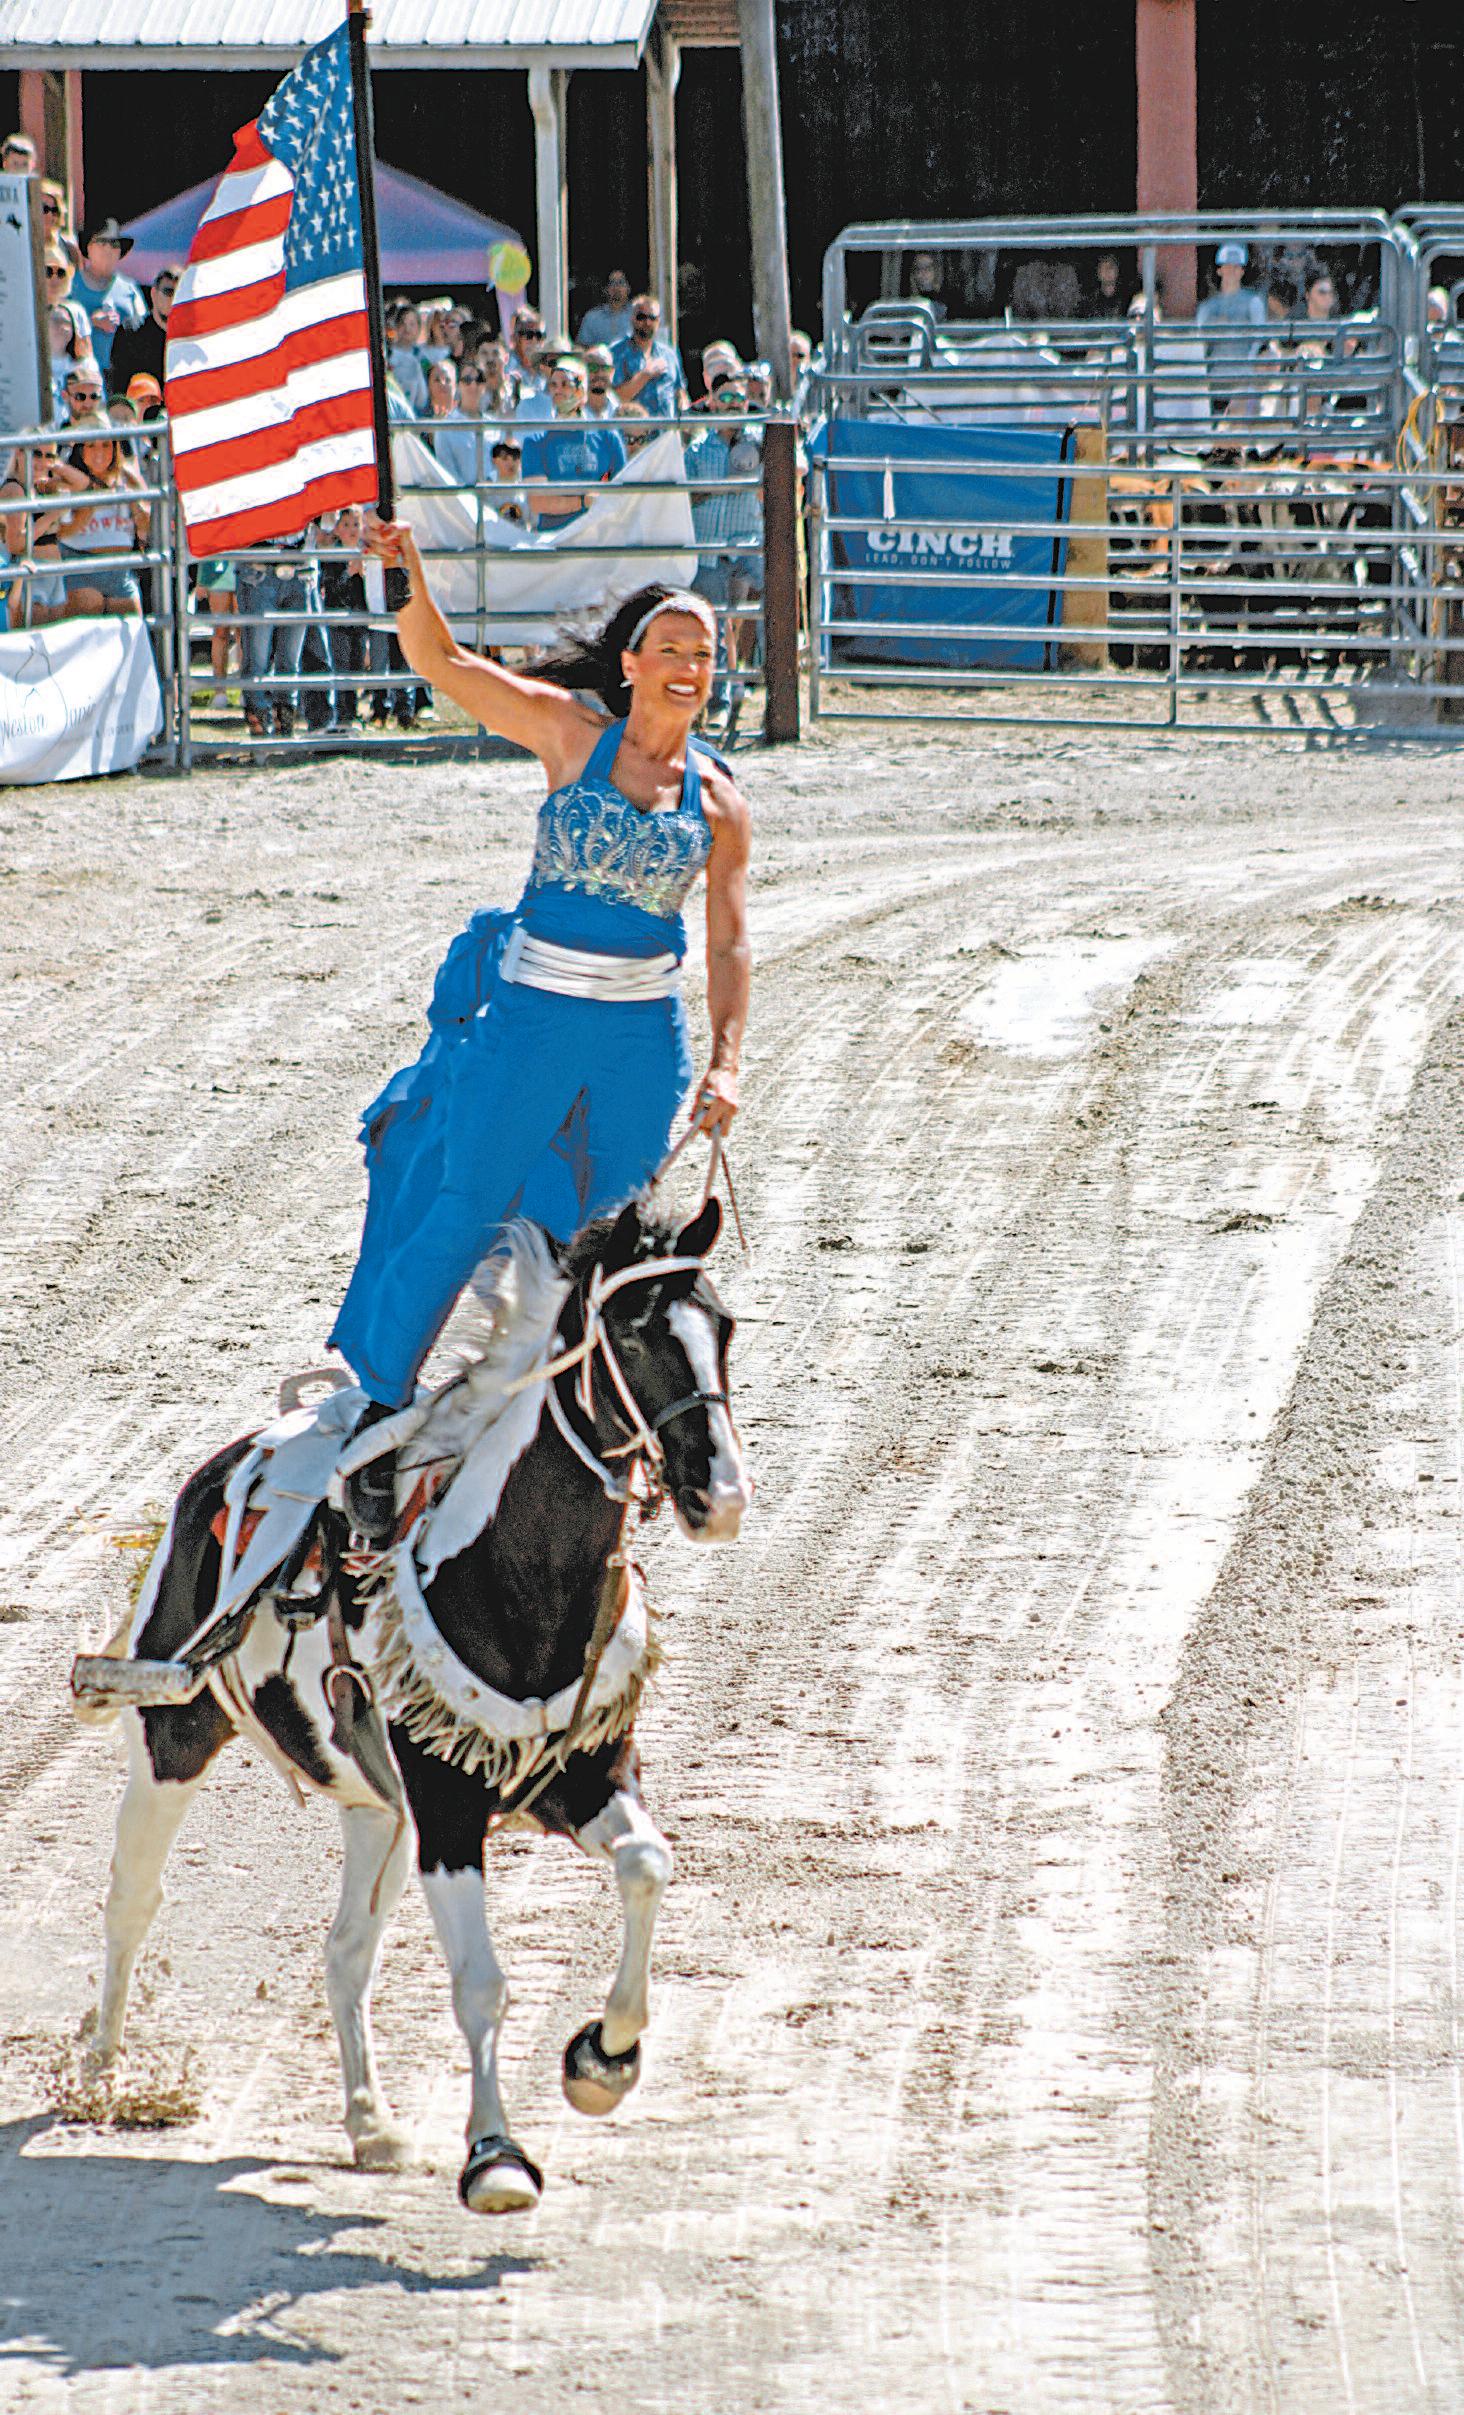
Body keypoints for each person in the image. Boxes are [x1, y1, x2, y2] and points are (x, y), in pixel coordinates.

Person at [328, 543, 750, 1534]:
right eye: (671, 649)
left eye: (704, 654)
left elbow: (730, 940)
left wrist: (728, 1061)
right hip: (530, 1025)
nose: (689, 667)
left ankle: (594, 1428)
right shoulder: (571, 734)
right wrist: (407, 570)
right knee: (465, 1204)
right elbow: (443, 665)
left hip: (641, 1044)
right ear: (632, 664)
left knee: (622, 1249)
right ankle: (382, 1411)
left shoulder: (722, 800)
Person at [57, 413, 150, 615]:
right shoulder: (69, 478)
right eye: (91, 445)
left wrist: (136, 505)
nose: (99, 452)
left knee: (132, 628)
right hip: (81, 567)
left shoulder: (127, 476)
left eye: (106, 445)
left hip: (122, 571)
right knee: (87, 624)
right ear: (80, 449)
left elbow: (147, 527)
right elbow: (62, 532)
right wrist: (89, 505)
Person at [521, 356, 626, 524]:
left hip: (599, 531)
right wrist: (584, 502)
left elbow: (623, 492)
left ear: (581, 389)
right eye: (553, 385)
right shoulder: (535, 442)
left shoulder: (608, 437)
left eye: (565, 384)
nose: (557, 390)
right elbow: (538, 503)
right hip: (555, 535)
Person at [70, 216, 146, 380]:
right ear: (89, 247)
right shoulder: (71, 285)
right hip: (80, 376)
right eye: (102, 242)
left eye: (114, 244)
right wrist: (91, 322)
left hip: (120, 376)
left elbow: (142, 331)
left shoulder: (130, 289)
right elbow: (58, 326)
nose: (108, 249)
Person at [1196, 242, 1266, 413]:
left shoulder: (1253, 302)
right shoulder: (1208, 307)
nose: (1231, 271)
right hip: (1216, 378)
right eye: (1227, 267)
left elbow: (1259, 339)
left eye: (1236, 267)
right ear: (1219, 270)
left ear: (1242, 271)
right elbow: (1200, 342)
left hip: (1243, 378)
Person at [610, 294, 687, 419]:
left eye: (652, 318)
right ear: (632, 318)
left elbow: (680, 392)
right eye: (641, 317)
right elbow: (614, 398)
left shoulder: (670, 354)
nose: (647, 322)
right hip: (632, 429)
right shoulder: (616, 353)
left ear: (658, 321)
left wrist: (683, 409)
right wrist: (645, 375)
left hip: (666, 428)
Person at [109, 263, 181, 392]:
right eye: (168, 292)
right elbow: (119, 388)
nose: (174, 299)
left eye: (180, 293)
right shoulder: (130, 333)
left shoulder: (193, 337)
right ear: (154, 294)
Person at [576, 267, 634, 351]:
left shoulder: (637, 315)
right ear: (606, 289)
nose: (616, 287)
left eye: (621, 282)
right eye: (612, 283)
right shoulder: (592, 317)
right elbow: (581, 348)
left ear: (628, 288)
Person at [583, 345, 619, 417]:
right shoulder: (571, 410)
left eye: (606, 368)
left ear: (612, 372)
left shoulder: (619, 410)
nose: (600, 374)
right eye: (593, 367)